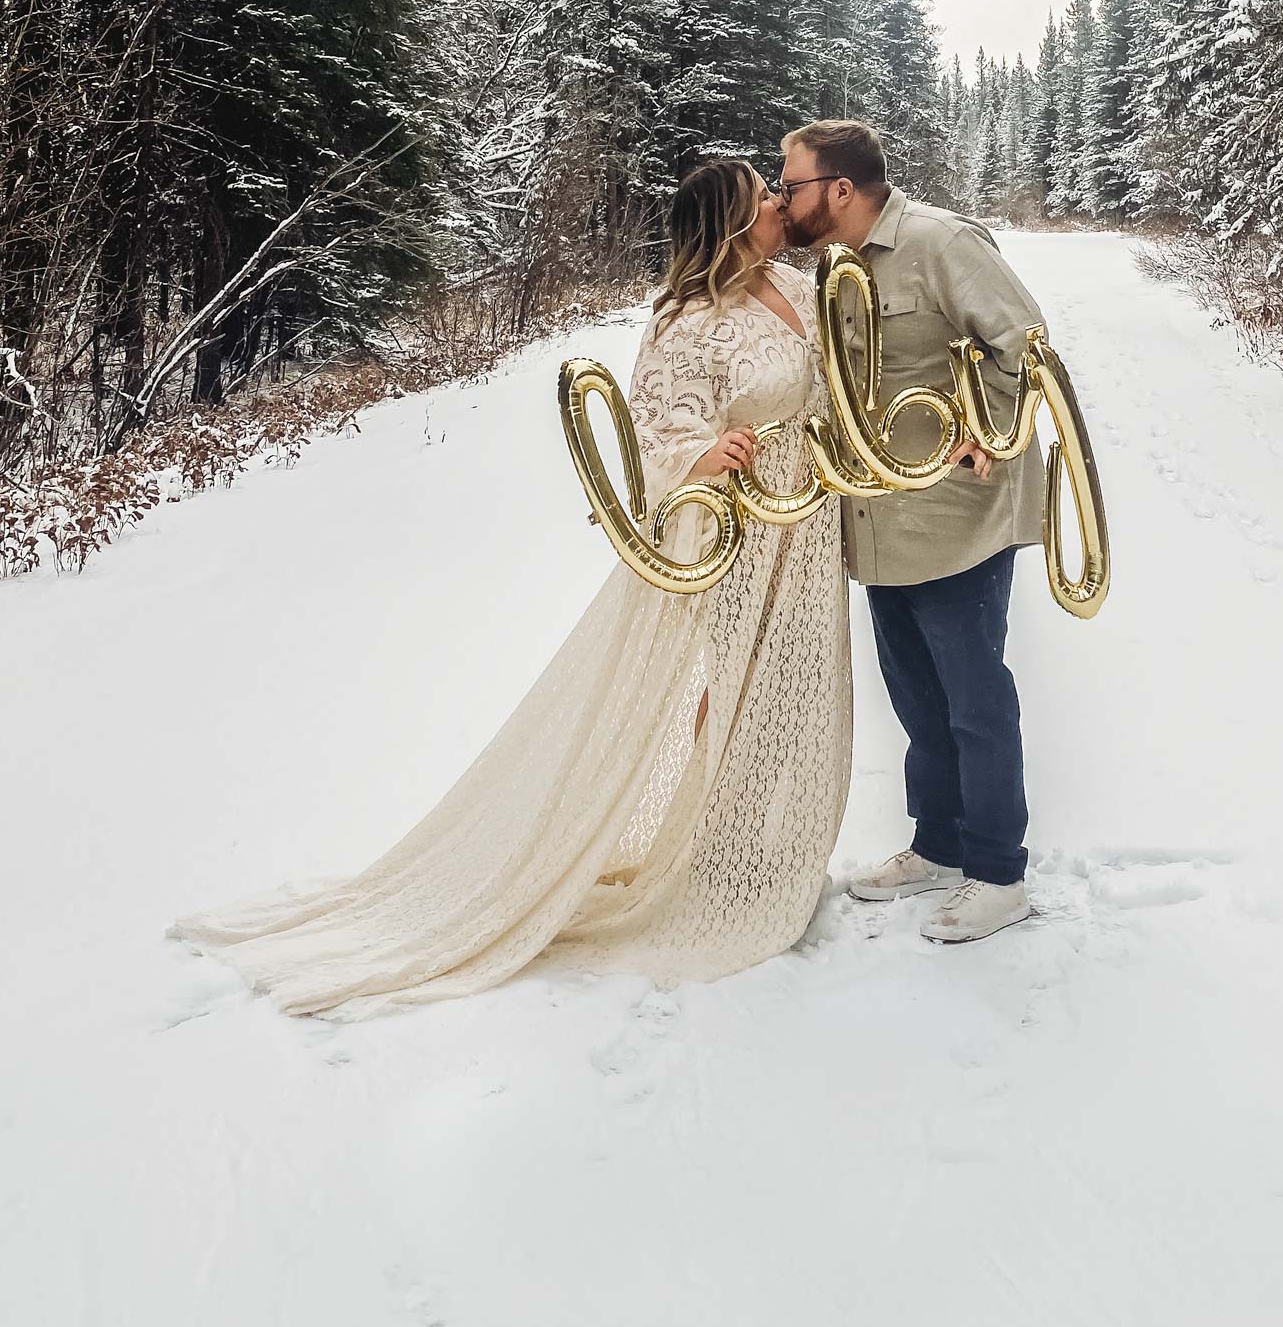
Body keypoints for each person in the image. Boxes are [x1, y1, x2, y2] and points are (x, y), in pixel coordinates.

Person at [171, 160, 851, 1015]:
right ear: (726, 220)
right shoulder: (685, 316)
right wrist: (702, 451)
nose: (773, 199)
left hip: (806, 520)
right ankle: (729, 861)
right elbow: (654, 421)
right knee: (736, 687)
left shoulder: (796, 279)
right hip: (736, 527)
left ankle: (774, 849)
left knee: (794, 679)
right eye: (758, 192)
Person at [778, 119, 1045, 944]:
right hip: (880, 517)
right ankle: (938, 844)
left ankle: (999, 872)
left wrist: (985, 424)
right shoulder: (833, 265)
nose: (782, 199)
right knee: (919, 701)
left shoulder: (938, 243)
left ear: (841, 189)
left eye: (790, 185)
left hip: (956, 514)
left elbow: (1025, 346)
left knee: (974, 700)